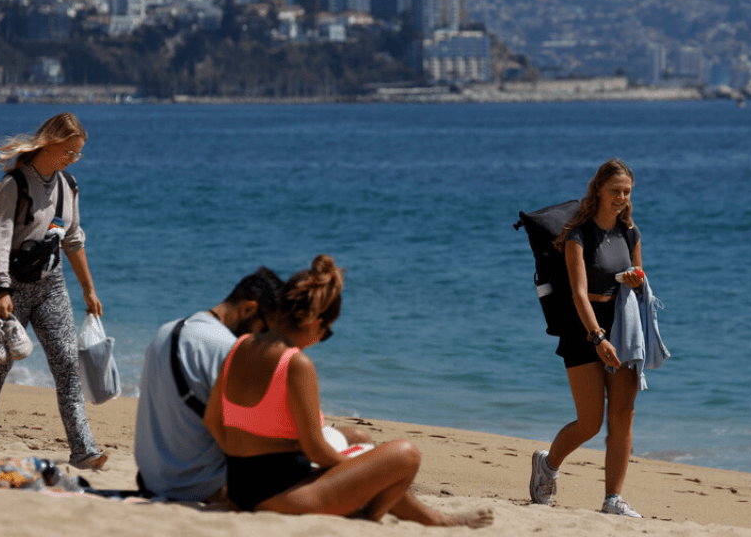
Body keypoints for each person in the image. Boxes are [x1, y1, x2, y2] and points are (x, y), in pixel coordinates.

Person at [203, 254, 492, 527]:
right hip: (281, 497)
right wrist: (358, 467)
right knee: (406, 454)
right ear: (316, 324)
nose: (321, 339)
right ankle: (376, 516)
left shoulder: (239, 347)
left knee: (356, 436)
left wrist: (248, 463)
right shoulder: (295, 363)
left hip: (241, 490)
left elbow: (212, 421)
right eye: (326, 333)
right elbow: (314, 447)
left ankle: (429, 518)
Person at [0, 112, 107, 470]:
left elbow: (73, 241)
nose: (73, 159)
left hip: (51, 285)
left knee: (66, 366)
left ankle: (84, 450)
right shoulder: (15, 185)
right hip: (8, 288)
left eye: (78, 154)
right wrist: (0, 289)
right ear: (49, 143)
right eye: (68, 152)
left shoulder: (68, 186)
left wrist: (89, 290)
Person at [528, 158, 646, 517]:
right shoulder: (578, 235)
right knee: (591, 422)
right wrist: (597, 338)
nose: (621, 198)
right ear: (598, 190)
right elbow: (579, 292)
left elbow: (640, 277)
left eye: (626, 192)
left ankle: (613, 499)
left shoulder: (630, 233)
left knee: (623, 413)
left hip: (621, 326)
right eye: (615, 191)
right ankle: (548, 465)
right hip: (584, 329)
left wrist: (636, 281)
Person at [133, 266, 285, 502]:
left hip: (153, 478)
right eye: (265, 331)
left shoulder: (166, 331)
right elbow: (248, 439)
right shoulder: (226, 349)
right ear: (248, 309)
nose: (263, 342)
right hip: (199, 485)